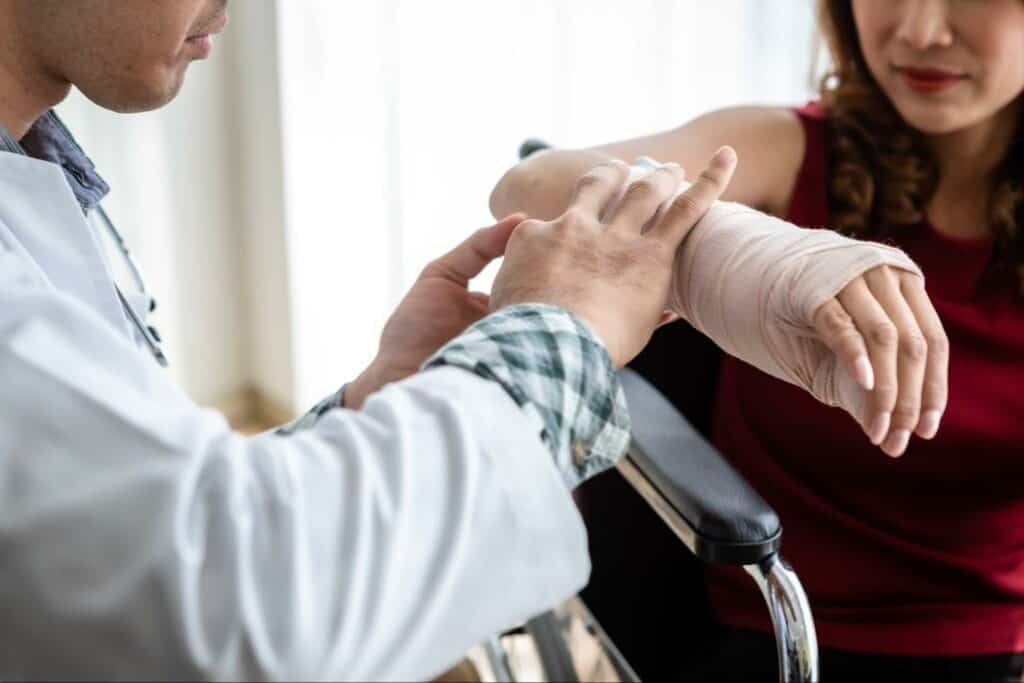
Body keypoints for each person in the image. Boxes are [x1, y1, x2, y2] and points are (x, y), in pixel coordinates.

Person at [0, 0, 755, 679]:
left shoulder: (35, 167)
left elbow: (135, 534)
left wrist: (376, 399)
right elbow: (228, 610)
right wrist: (559, 331)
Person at [490, 0, 1024, 680]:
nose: (919, 31)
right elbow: (527, 186)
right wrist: (762, 251)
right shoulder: (788, 149)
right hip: (770, 643)